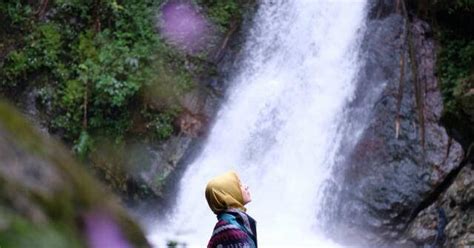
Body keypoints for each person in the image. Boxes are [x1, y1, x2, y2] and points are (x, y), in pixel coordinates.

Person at [205, 171, 257, 248]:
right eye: (240, 185)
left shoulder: (232, 221)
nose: (246, 187)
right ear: (228, 194)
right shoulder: (230, 229)